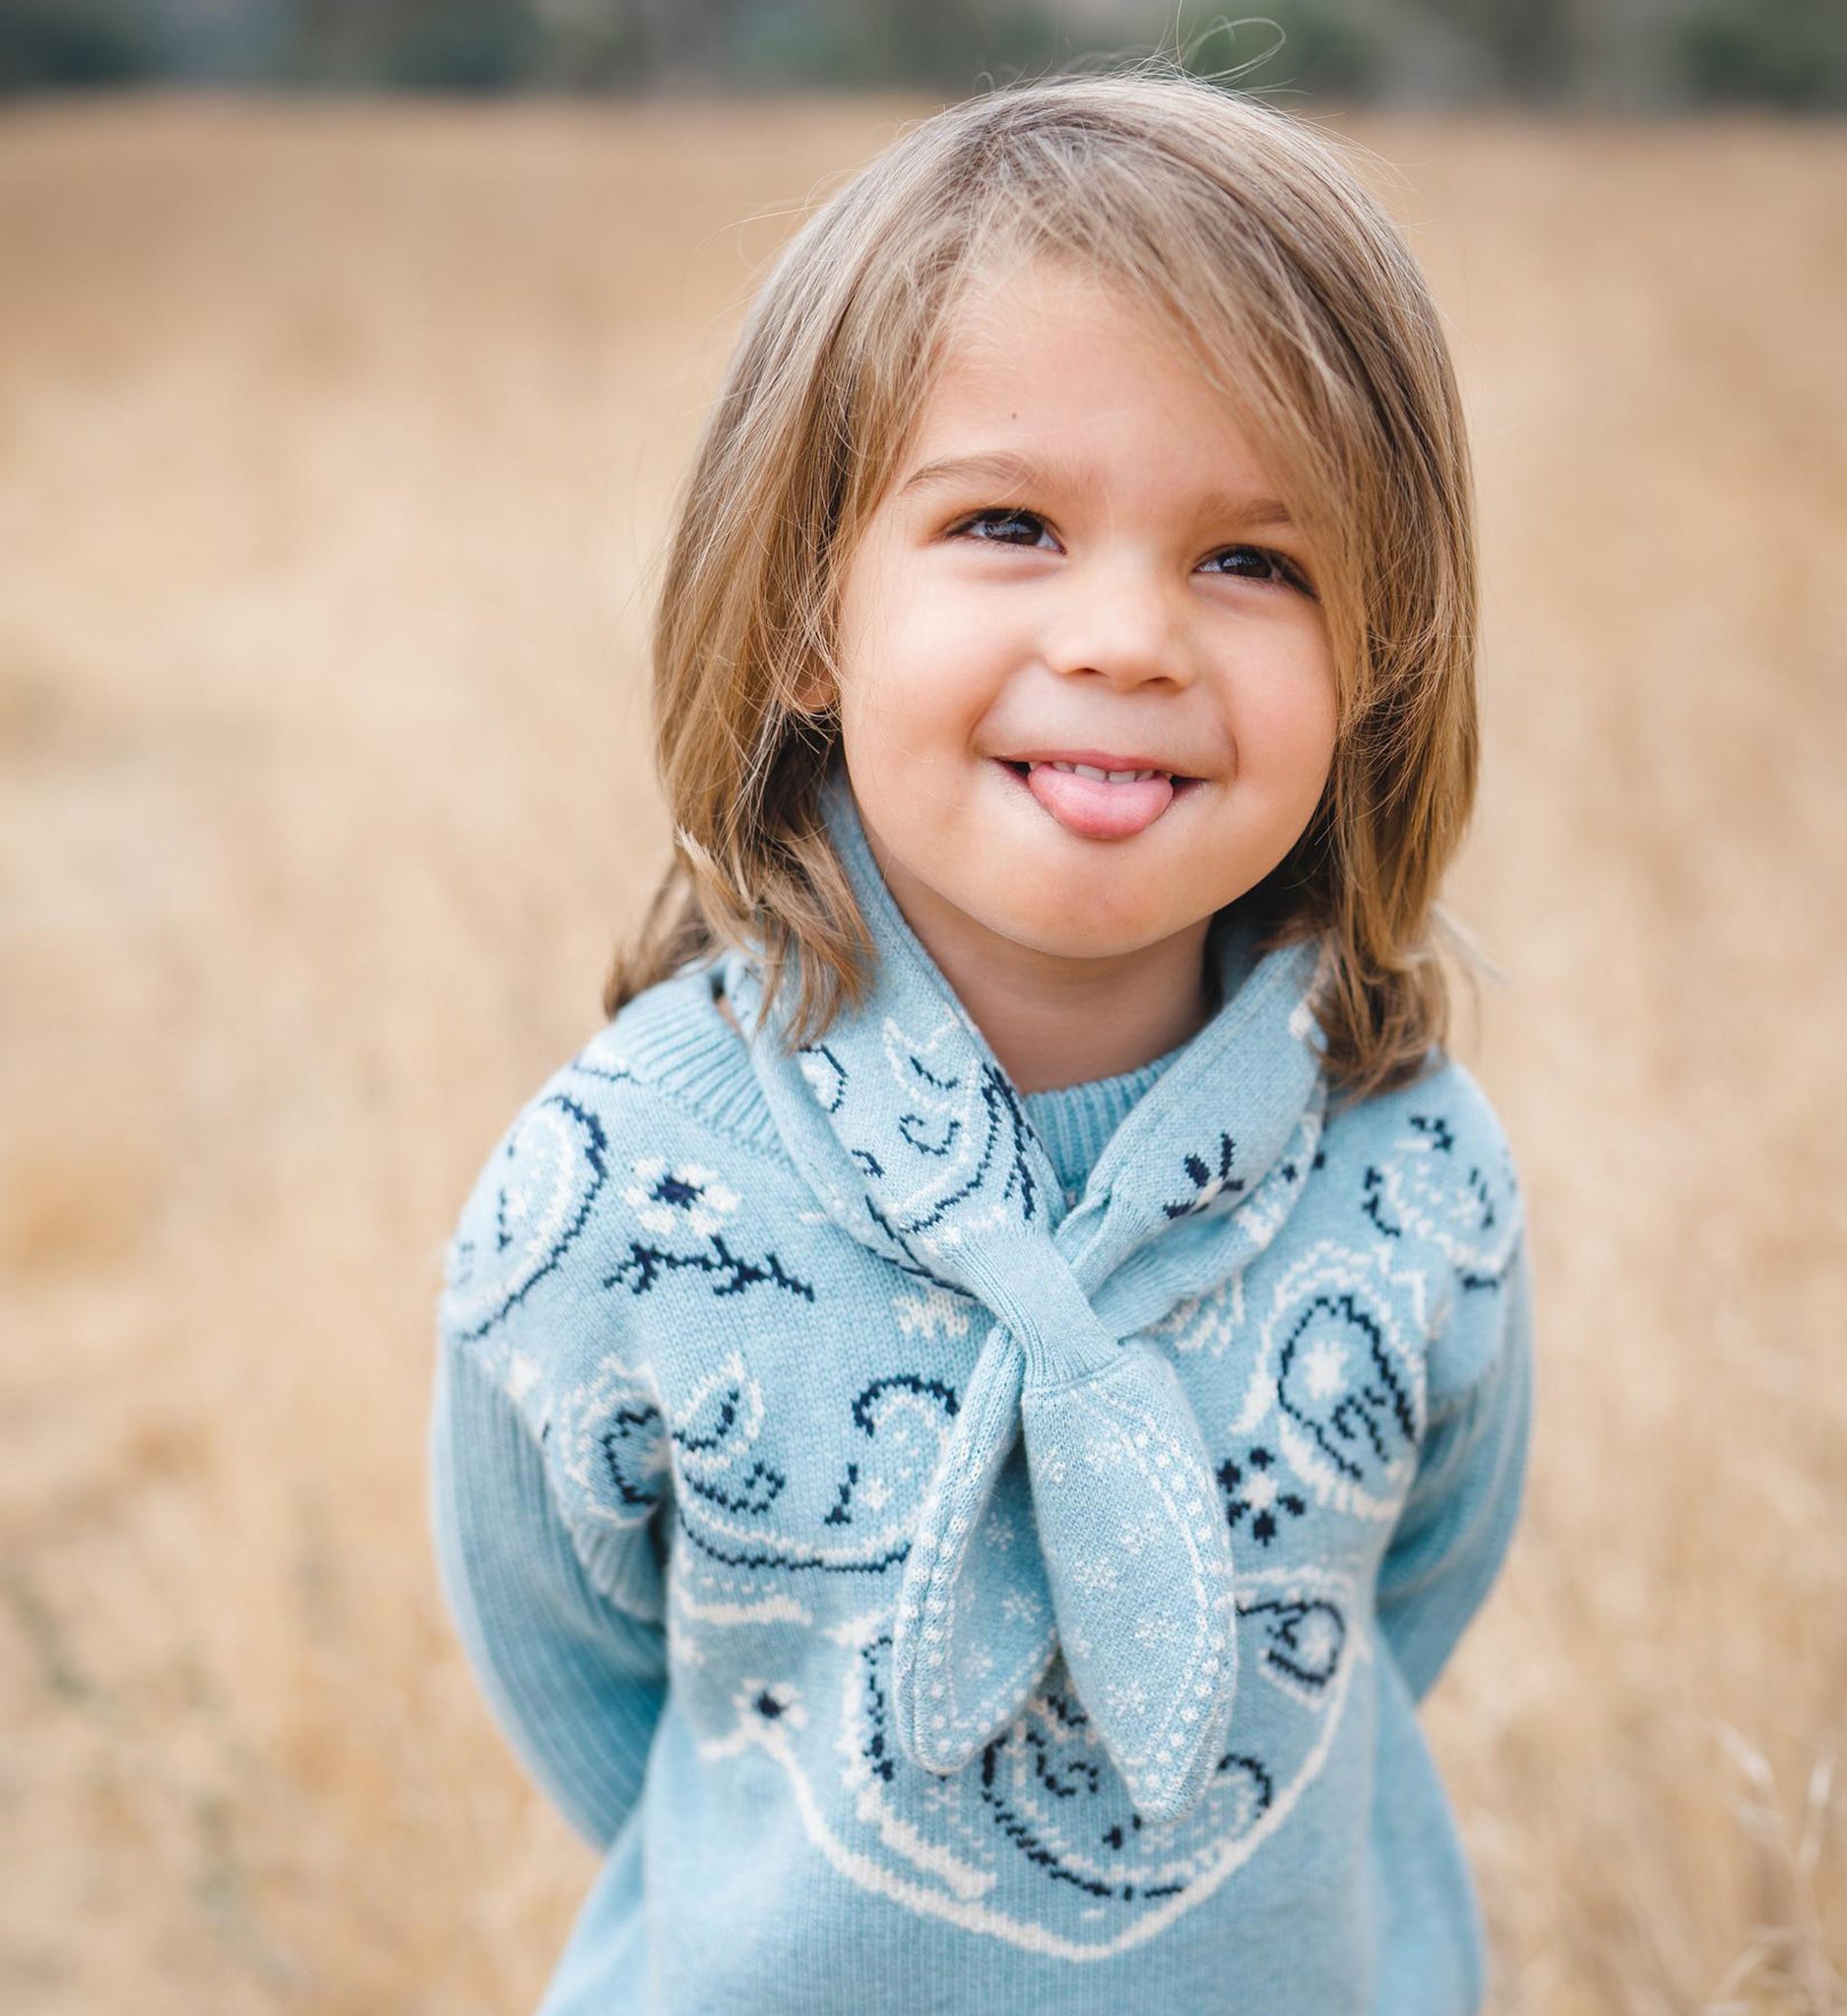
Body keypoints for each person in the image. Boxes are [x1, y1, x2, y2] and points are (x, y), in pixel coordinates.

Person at [429, 61, 1535, 2016]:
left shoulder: (1411, 1168)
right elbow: (577, 1672)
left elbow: (1414, 1585)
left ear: (1380, 662)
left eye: (1253, 560)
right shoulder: (619, 1189)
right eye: (1010, 523)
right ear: (805, 612)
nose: (1128, 637)